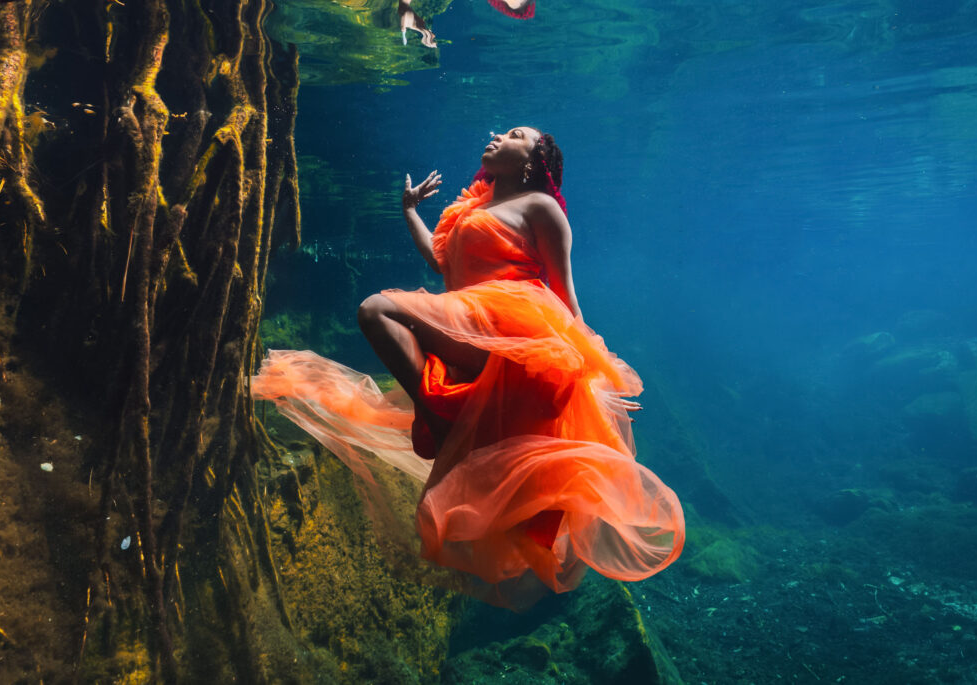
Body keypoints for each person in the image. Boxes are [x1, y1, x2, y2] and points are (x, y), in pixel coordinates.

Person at [253, 127, 683, 606]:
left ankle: (439, 414)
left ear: (532, 158)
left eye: (515, 134)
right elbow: (440, 260)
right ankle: (441, 410)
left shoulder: (542, 209)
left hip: (514, 324)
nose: (498, 135)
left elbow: (567, 299)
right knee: (377, 314)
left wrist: (597, 373)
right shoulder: (474, 207)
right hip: (465, 317)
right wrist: (410, 211)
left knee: (377, 309)